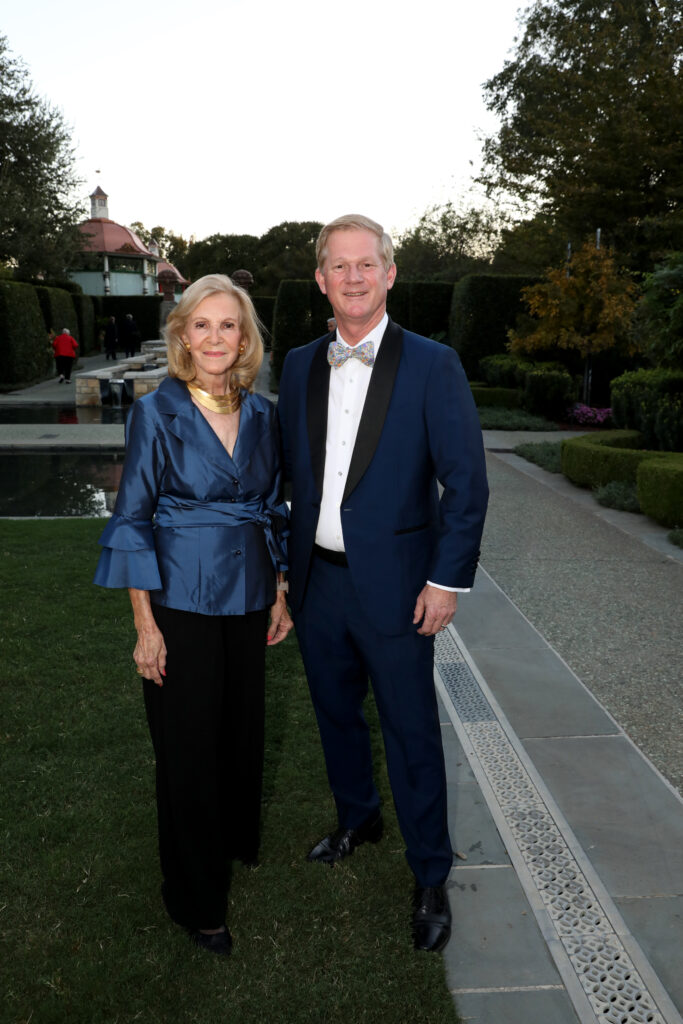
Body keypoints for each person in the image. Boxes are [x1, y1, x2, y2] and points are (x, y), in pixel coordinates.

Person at [277, 214, 488, 953]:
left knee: (409, 731)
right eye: (338, 266)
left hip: (401, 588)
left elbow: (465, 484)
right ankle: (357, 817)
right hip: (317, 585)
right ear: (321, 280)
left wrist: (445, 581)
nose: (354, 277)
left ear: (389, 273)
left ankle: (429, 872)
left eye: (366, 264)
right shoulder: (300, 363)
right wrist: (281, 573)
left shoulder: (433, 364)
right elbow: (286, 480)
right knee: (335, 715)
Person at [94, 274, 292, 956]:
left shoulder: (264, 414)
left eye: (228, 326)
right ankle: (195, 900)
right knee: (187, 756)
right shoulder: (157, 413)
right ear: (181, 335)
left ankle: (224, 845)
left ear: (245, 338)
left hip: (247, 602)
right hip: (178, 605)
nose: (214, 338)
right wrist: (145, 628)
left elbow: (271, 510)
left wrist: (280, 591)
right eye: (201, 325)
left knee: (238, 741)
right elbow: (132, 522)